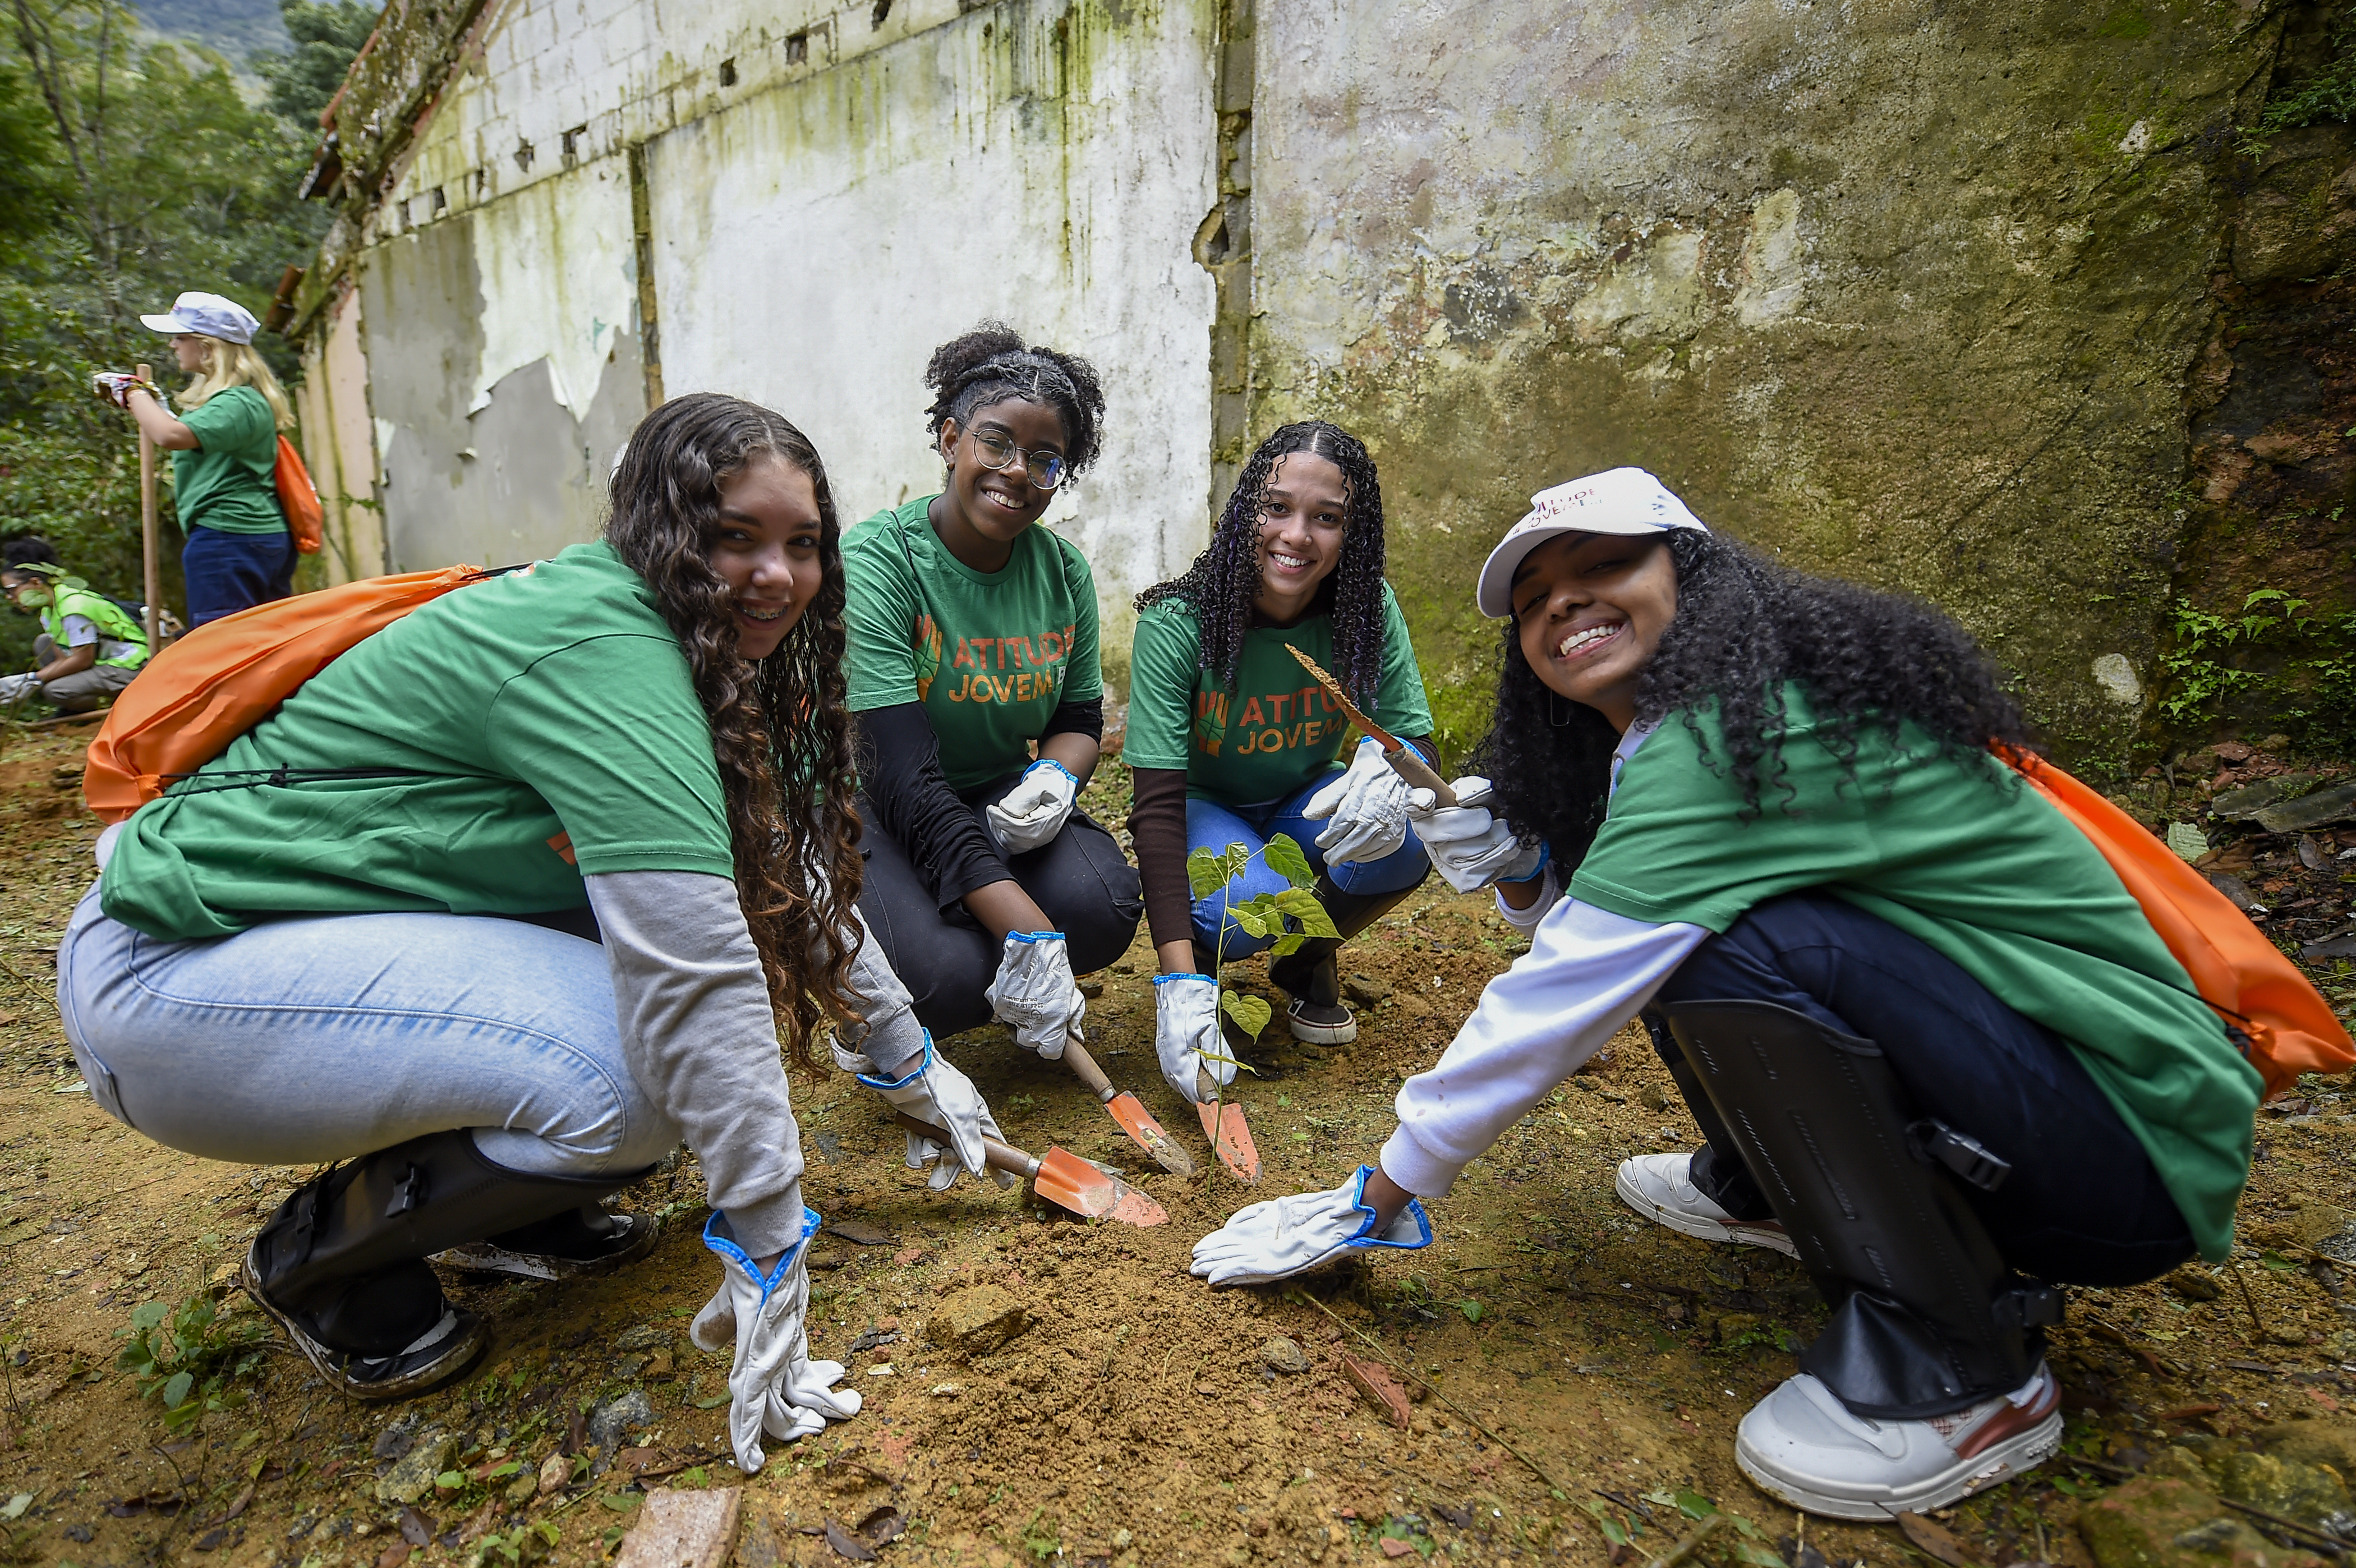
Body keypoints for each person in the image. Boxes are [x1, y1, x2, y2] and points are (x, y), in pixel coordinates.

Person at [1191, 467, 2257, 1520]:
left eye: (1606, 565)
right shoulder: (1696, 732)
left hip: (2126, 1158)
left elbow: (1565, 989)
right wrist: (1520, 863)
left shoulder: (1726, 743)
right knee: (1683, 928)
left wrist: (1375, 1197)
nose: (1564, 603)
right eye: (1534, 602)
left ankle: (1963, 1366)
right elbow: (1583, 927)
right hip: (2061, 1099)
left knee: (1711, 943)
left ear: (1695, 575)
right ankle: (1768, 1186)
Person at [59, 396, 1007, 1475]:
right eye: (734, 535)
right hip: (171, 978)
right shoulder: (608, 652)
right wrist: (773, 1241)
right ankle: (317, 1262)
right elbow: (698, 975)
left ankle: (507, 1210)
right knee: (645, 1079)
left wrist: (909, 1058)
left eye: (802, 544)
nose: (778, 576)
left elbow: (780, 873)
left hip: (299, 943)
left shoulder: (672, 646)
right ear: (658, 523)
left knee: (643, 1037)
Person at [842, 323, 1142, 1061]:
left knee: (1103, 909)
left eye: (1047, 459)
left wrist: (1054, 779)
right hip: (875, 807)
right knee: (949, 979)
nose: (1017, 472)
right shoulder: (878, 565)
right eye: (996, 442)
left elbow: (1077, 720)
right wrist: (1025, 927)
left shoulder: (1061, 573)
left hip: (991, 800)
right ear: (951, 440)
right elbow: (903, 778)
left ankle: (959, 922)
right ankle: (865, 987)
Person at [1125, 421, 1435, 1106]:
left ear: (1351, 534)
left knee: (1410, 835)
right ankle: (1204, 971)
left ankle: (1305, 959)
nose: (1298, 534)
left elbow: (1415, 739)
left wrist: (1392, 775)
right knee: (1243, 909)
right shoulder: (1179, 623)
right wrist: (1173, 978)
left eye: (1327, 518)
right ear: (1243, 513)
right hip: (1203, 807)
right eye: (1277, 508)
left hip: (1307, 797)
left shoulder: (1363, 610)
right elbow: (1151, 806)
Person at [101, 291, 295, 626]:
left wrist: (132, 392)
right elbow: (177, 428)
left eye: (179, 337)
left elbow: (170, 436)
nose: (172, 345)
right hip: (246, 537)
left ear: (208, 346)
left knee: (223, 646)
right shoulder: (231, 403)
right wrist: (150, 403)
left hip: (231, 536)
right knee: (263, 643)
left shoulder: (238, 403)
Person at [0, 537, 148, 713]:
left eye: (11, 590)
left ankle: (88, 709)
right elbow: (64, 656)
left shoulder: (73, 607)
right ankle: (81, 695)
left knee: (55, 690)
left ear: (35, 583)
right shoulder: (49, 609)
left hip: (132, 663)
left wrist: (32, 679)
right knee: (43, 642)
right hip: (102, 658)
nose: (9, 597)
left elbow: (83, 660)